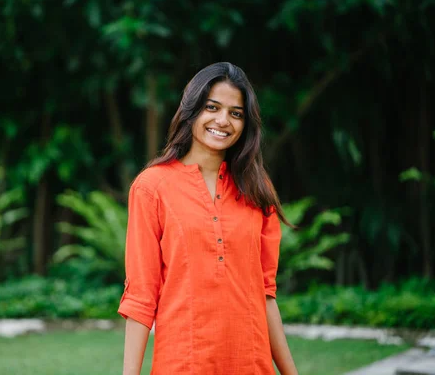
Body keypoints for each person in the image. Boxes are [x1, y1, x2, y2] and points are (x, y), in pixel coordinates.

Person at [118, 62, 299, 375]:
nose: (222, 121)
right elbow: (140, 297)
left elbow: (265, 295)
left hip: (252, 364)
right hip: (183, 365)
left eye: (236, 112)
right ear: (191, 110)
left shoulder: (258, 189)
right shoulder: (152, 188)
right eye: (212, 107)